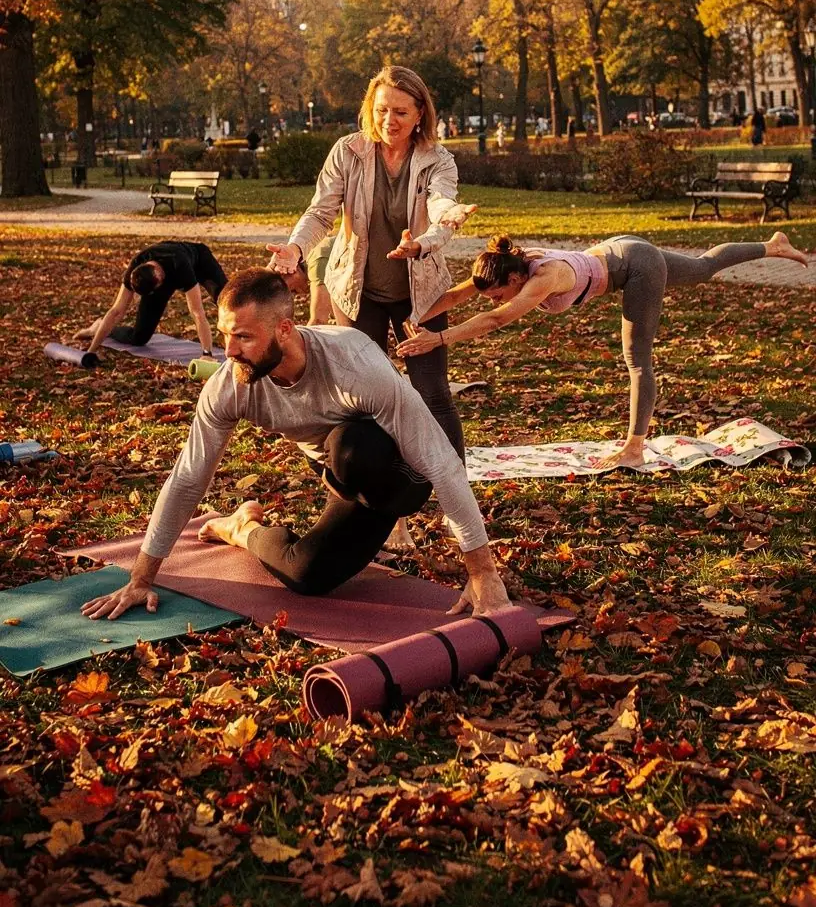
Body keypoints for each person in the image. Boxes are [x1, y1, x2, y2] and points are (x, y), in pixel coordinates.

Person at [80, 270, 509, 620]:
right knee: (306, 575)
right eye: (226, 335)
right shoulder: (230, 386)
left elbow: (440, 461)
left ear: (284, 330)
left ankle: (350, 486)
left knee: (352, 445)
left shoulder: (355, 363)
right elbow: (188, 478)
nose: (229, 351)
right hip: (343, 477)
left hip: (399, 474)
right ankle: (242, 528)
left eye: (243, 337)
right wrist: (141, 579)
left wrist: (482, 572)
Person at [397, 230, 809, 469]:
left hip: (637, 267)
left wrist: (439, 339)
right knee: (701, 267)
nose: (493, 299)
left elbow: (495, 320)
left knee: (637, 359)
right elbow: (456, 296)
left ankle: (634, 448)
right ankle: (773, 245)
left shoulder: (544, 278)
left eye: (498, 294)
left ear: (517, 280)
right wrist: (417, 315)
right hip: (621, 248)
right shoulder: (501, 267)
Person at [265, 65, 473, 463]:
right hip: (357, 292)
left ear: (420, 114)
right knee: (364, 396)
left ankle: (454, 483)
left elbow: (440, 204)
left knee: (432, 393)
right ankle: (380, 483)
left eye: (400, 112)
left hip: (420, 294)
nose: (388, 120)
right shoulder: (349, 151)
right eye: (381, 110)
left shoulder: (438, 160)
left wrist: (434, 231)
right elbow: (320, 212)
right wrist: (295, 249)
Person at [76, 241, 227, 357]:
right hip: (163, 276)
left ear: (159, 279)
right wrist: (91, 351)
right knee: (139, 338)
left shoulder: (179, 264)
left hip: (200, 262)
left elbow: (197, 313)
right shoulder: (136, 269)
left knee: (226, 302)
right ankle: (99, 326)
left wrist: (207, 354)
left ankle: (238, 340)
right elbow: (116, 311)